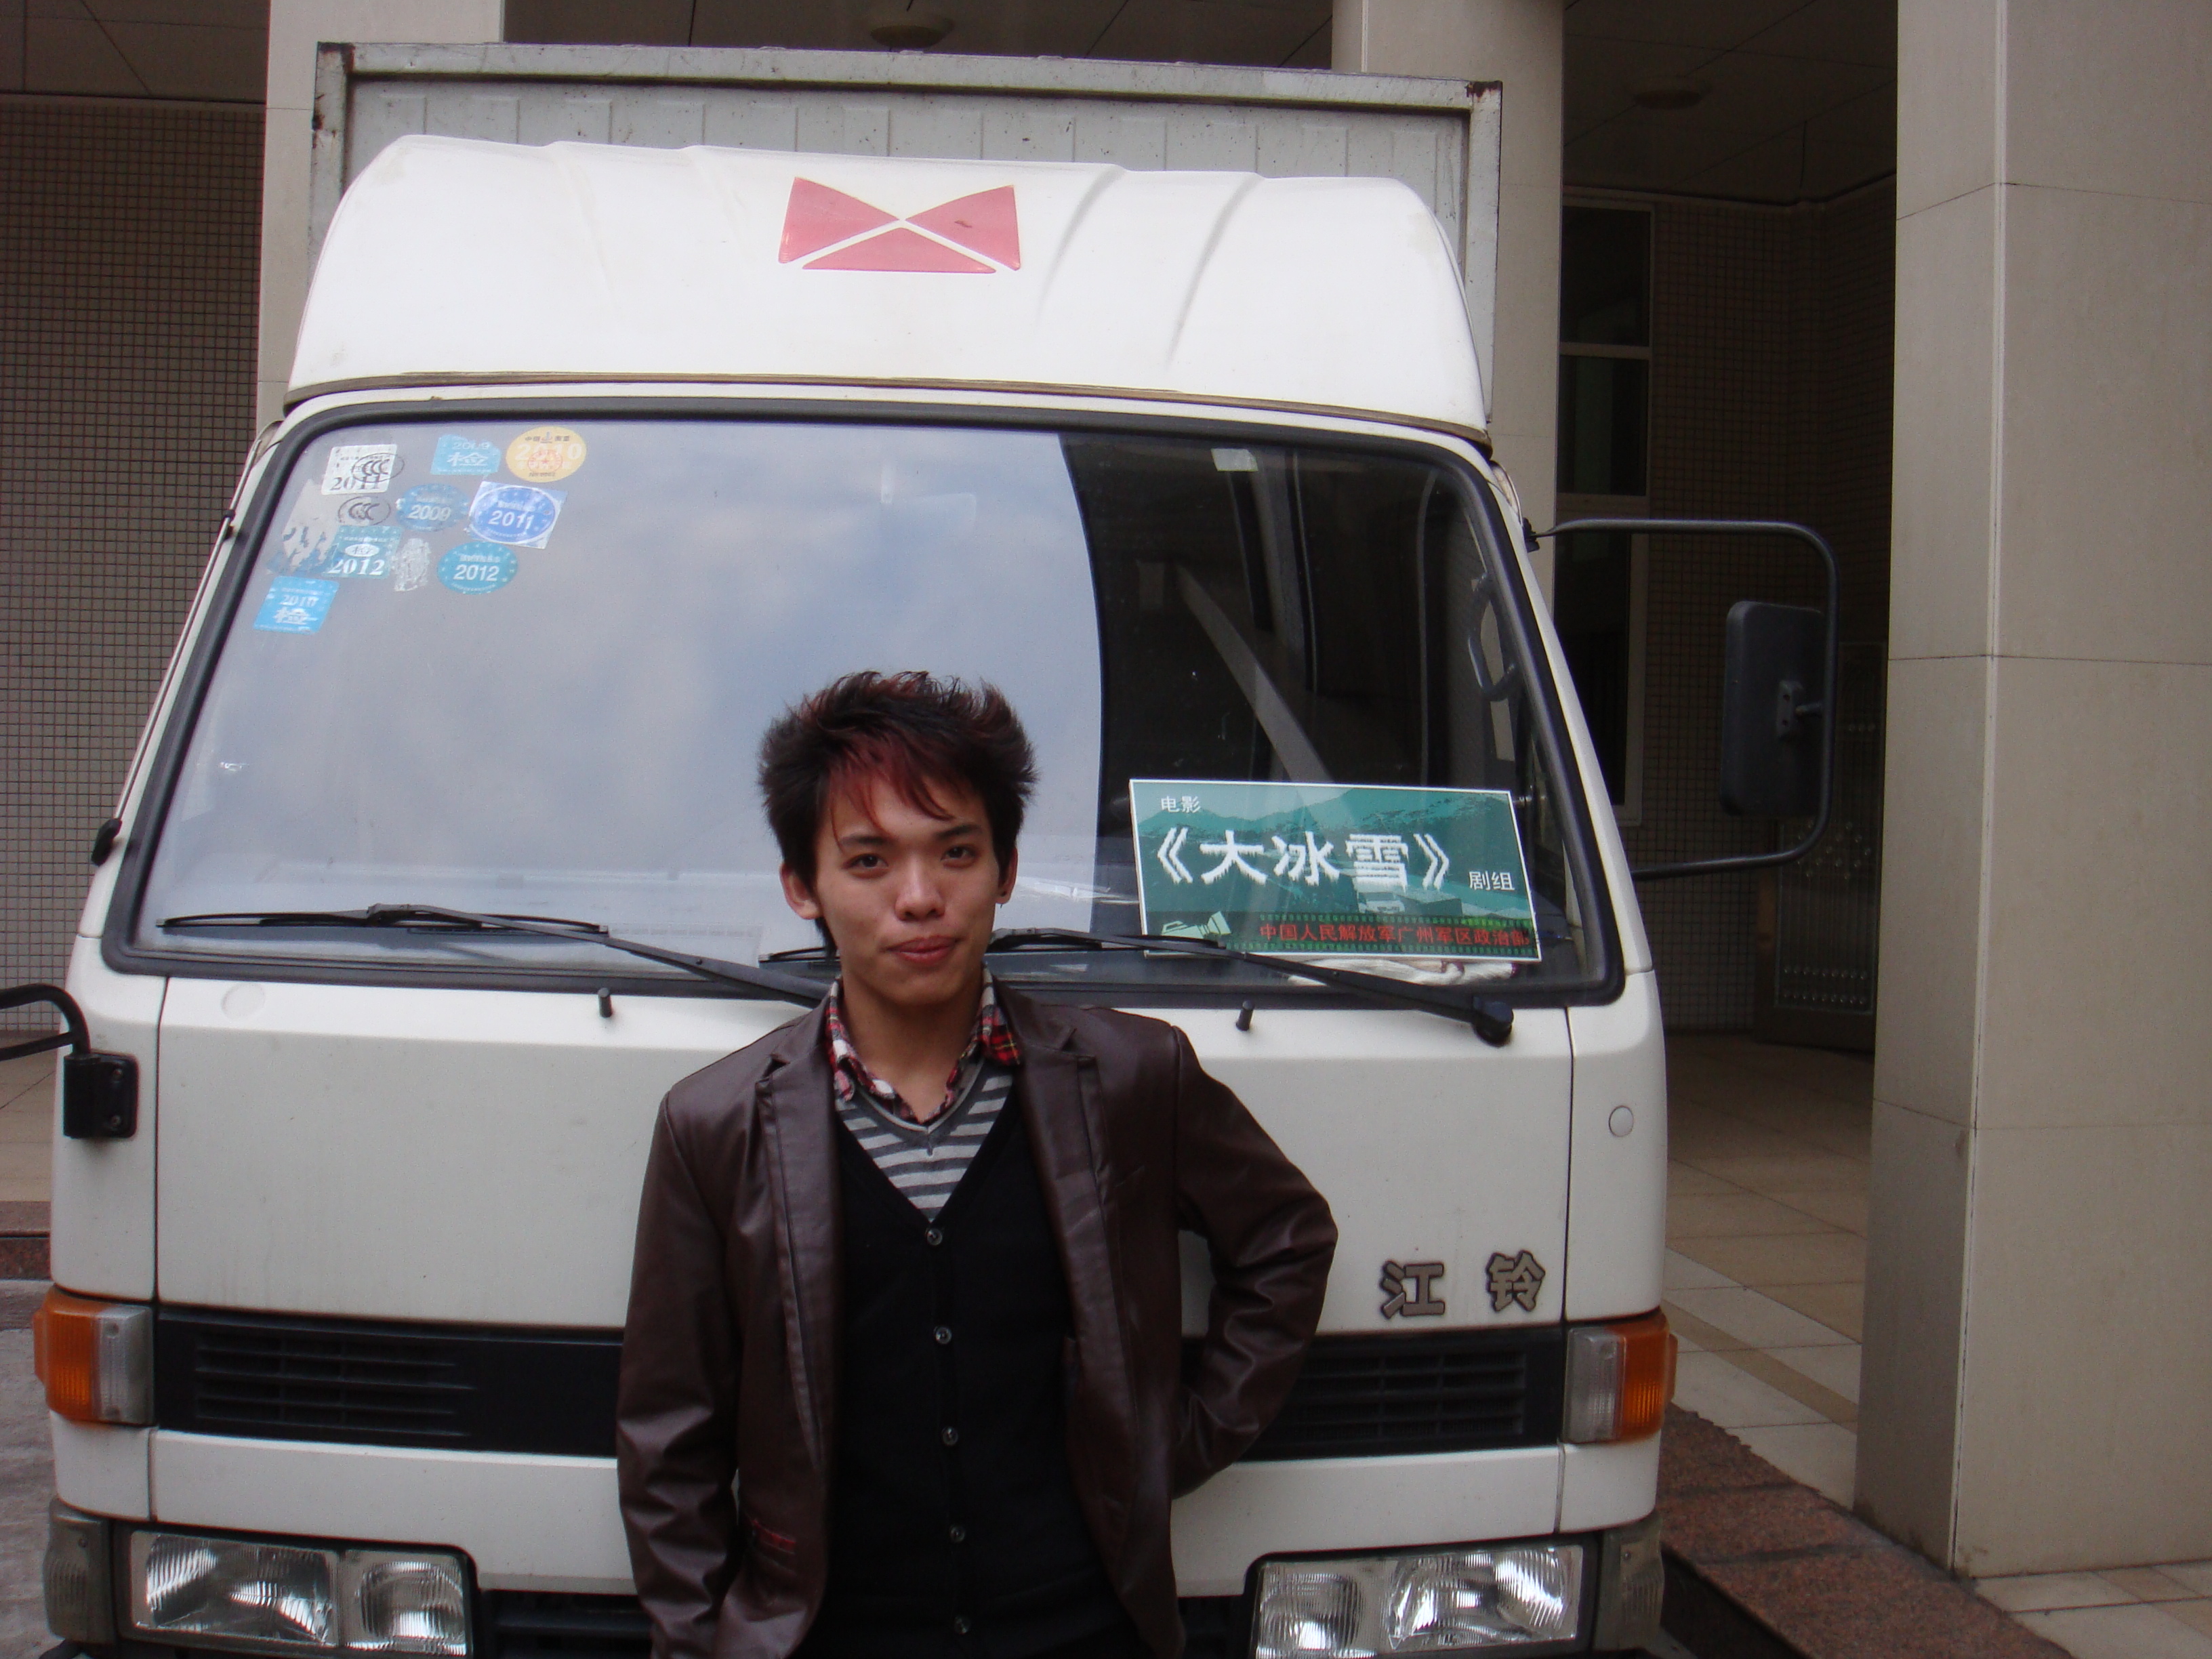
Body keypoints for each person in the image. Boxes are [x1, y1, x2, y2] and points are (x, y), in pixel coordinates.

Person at [616, 670, 1336, 1659]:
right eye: (869, 861)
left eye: (956, 852)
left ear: (1004, 869)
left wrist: (1169, 1442)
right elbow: (670, 1440)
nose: (920, 898)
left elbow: (1287, 1238)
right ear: (801, 887)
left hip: (1085, 1629)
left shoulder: (1131, 1077)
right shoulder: (716, 1126)